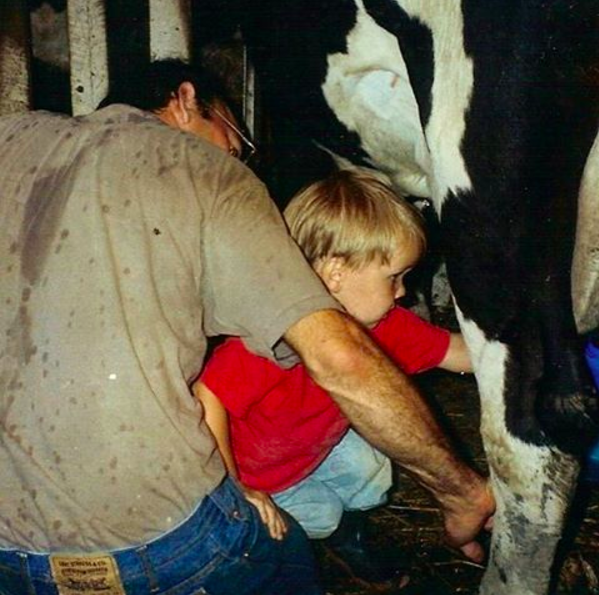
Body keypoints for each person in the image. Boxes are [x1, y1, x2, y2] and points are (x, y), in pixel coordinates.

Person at [0, 59, 493, 595]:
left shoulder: (10, 136)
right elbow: (338, 357)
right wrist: (462, 492)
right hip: (165, 541)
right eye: (234, 139)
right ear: (186, 100)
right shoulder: (202, 171)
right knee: (289, 559)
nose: (236, 156)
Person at [193, 169, 474, 583]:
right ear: (335, 274)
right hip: (258, 474)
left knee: (372, 472)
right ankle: (337, 537)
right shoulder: (265, 337)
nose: (403, 292)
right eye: (394, 277)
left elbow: (456, 351)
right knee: (323, 514)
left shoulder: (385, 325)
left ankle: (353, 534)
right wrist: (233, 488)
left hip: (314, 449)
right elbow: (208, 393)